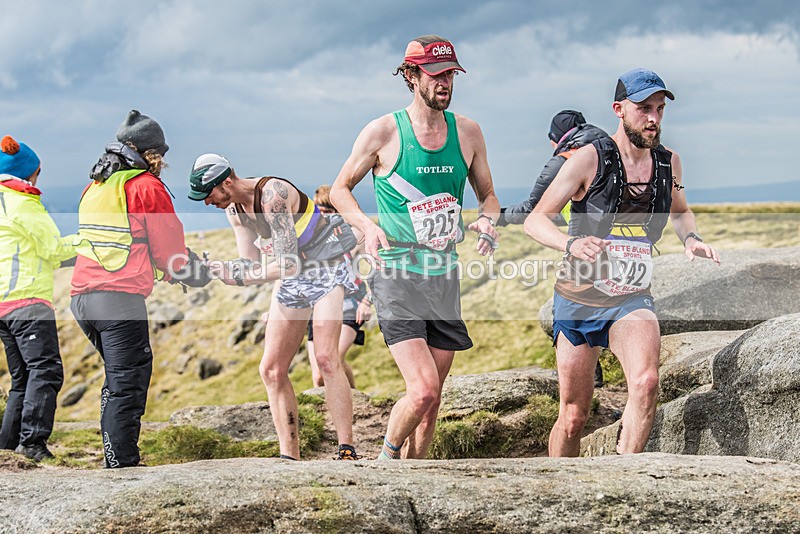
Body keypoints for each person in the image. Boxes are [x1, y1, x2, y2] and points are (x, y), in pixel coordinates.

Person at [524, 68, 720, 457]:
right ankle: (558, 489)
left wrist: (691, 238)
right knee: (574, 415)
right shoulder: (588, 159)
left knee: (646, 384)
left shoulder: (669, 164)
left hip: (631, 297)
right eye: (644, 108)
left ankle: (623, 477)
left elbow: (680, 211)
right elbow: (535, 219)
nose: (653, 118)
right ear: (619, 109)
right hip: (580, 296)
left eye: (660, 109)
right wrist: (570, 243)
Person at [330, 34, 501, 460]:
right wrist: (367, 228)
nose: (445, 82)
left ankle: (415, 480)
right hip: (396, 275)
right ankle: (385, 463)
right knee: (422, 390)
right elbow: (339, 191)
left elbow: (490, 197)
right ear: (411, 76)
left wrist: (487, 220)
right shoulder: (383, 131)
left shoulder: (468, 132)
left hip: (443, 276)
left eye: (451, 74)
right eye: (436, 74)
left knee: (432, 403)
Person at [188, 154, 362, 461]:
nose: (206, 202)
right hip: (293, 276)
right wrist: (216, 269)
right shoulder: (234, 210)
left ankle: (346, 448)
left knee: (325, 357)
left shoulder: (273, 195)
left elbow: (287, 264)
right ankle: (288, 456)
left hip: (325, 267)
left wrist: (237, 275)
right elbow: (250, 264)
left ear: (226, 181)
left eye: (208, 194)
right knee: (271, 369)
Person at [71, 110, 208, 468]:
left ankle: (114, 458)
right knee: (128, 383)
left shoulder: (97, 186)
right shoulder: (146, 186)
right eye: (161, 155)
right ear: (152, 154)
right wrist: (195, 271)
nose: (164, 162)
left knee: (117, 380)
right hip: (118, 301)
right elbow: (169, 251)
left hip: (82, 299)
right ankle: (122, 465)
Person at [497, 109, 610, 388]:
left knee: (569, 313)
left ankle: (585, 383)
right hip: (625, 245)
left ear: (555, 139)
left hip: (585, 248)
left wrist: (497, 216)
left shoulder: (566, 158)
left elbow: (533, 210)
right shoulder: (610, 146)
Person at [0, 135, 76, 462]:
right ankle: (33, 444)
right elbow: (55, 249)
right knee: (46, 371)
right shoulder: (22, 202)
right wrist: (91, 241)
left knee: (22, 377)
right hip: (28, 300)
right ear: (29, 172)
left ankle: (7, 447)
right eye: (39, 171)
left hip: (3, 305)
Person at [306, 185, 373, 389]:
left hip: (351, 305)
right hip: (319, 306)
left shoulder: (356, 235)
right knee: (318, 375)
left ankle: (355, 402)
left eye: (327, 211)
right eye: (318, 211)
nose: (322, 216)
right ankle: (325, 414)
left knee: (333, 358)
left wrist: (367, 301)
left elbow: (377, 271)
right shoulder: (309, 239)